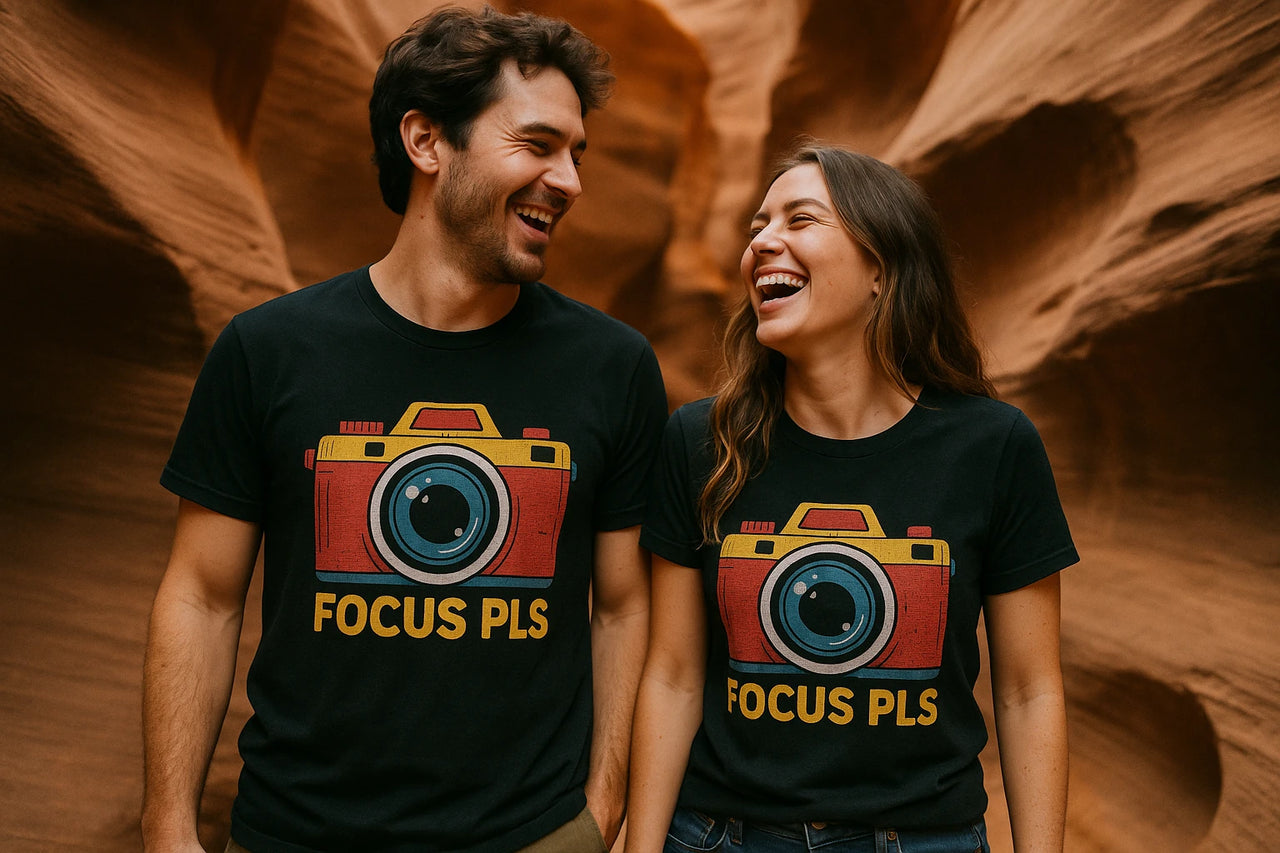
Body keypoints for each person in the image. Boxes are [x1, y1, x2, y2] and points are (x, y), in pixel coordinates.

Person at [141, 7, 667, 852]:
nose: (569, 180)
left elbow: (621, 606)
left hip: (533, 836)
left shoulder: (612, 367)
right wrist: (167, 829)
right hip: (295, 831)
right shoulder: (269, 350)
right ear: (426, 141)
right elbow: (201, 596)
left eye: (577, 153)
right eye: (536, 145)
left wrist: (597, 812)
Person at [626, 144, 1077, 853]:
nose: (762, 240)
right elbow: (675, 674)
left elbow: (1029, 690)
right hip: (720, 834)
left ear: (879, 268)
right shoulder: (699, 442)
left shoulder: (992, 447)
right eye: (756, 225)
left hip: (924, 836)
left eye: (799, 219)